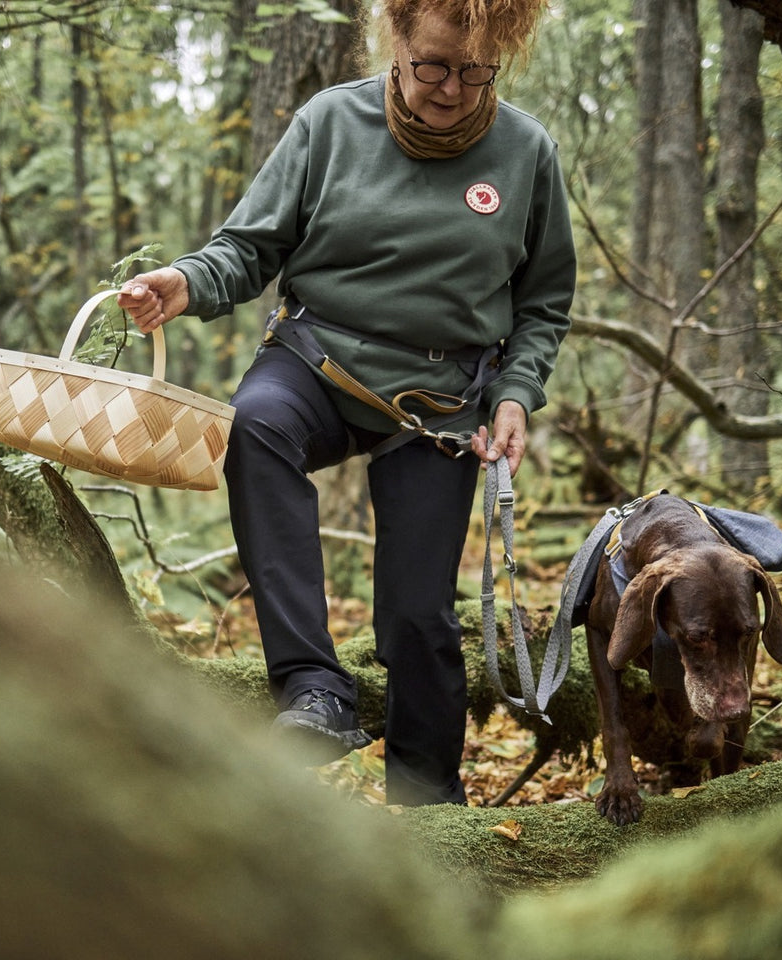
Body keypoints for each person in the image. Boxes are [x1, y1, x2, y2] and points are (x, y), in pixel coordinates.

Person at [118, 0, 576, 806]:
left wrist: (515, 394)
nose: (453, 90)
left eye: (475, 73)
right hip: (316, 363)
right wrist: (184, 282)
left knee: (417, 617)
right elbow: (250, 247)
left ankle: (428, 809)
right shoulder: (330, 123)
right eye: (433, 64)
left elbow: (543, 302)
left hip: (442, 397)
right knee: (257, 425)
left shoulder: (526, 150)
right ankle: (313, 690)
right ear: (393, 40)